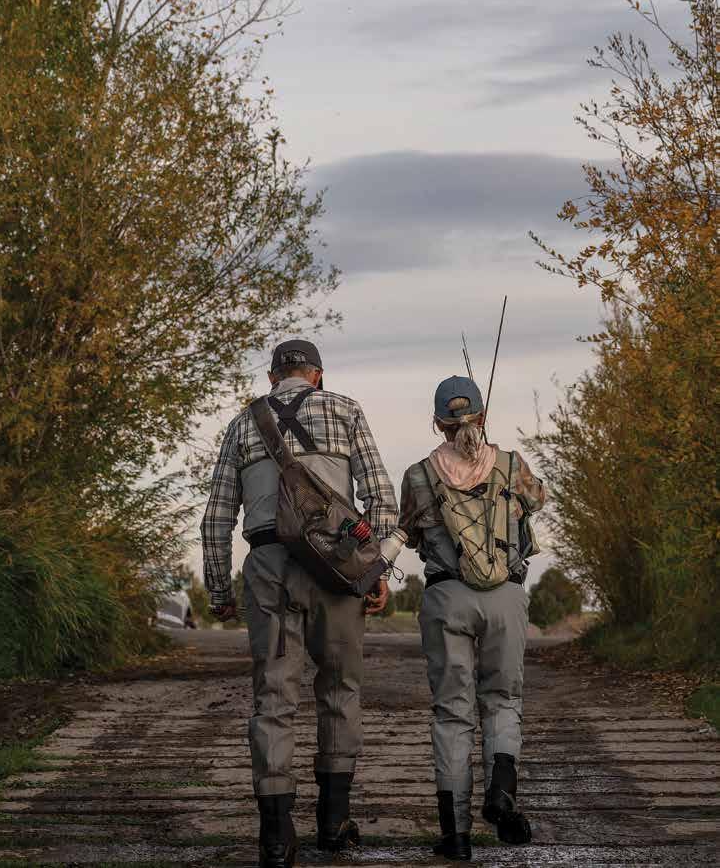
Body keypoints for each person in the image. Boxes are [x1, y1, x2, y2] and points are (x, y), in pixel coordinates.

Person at [201, 339, 397, 868]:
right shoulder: (346, 410)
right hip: (336, 568)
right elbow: (381, 498)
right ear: (317, 376)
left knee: (272, 697)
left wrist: (219, 590)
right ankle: (333, 823)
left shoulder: (243, 424)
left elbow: (217, 516)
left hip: (268, 567)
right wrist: (373, 571)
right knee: (340, 689)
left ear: (272, 378)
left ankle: (276, 837)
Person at [398, 375, 545, 861]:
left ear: (437, 423)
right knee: (503, 699)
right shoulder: (512, 463)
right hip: (506, 599)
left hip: (447, 598)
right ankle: (501, 791)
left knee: (451, 713)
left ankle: (456, 835)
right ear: (482, 417)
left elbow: (411, 534)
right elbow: (538, 499)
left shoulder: (418, 475)